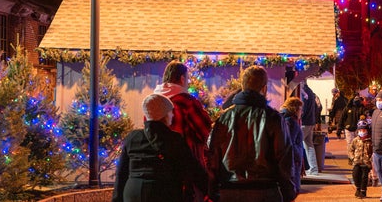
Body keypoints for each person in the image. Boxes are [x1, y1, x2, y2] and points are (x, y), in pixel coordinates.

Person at [206, 64, 297, 202]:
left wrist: (212, 190)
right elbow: (283, 157)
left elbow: (213, 157)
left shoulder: (224, 118)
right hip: (264, 190)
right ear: (264, 88)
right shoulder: (273, 118)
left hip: (230, 189)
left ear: (242, 87)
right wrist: (288, 191)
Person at [113, 93, 209, 202]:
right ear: (165, 114)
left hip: (133, 192)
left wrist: (117, 198)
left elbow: (121, 173)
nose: (173, 115)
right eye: (171, 112)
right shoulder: (174, 139)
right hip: (163, 192)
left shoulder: (132, 137)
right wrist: (209, 190)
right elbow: (192, 168)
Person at [154, 61, 214, 200]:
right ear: (182, 78)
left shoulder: (154, 102)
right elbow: (204, 129)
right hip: (186, 168)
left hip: (159, 166)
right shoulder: (186, 101)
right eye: (187, 78)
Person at [280, 97, 305, 195]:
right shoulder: (291, 122)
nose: (301, 112)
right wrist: (299, 156)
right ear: (295, 109)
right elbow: (291, 142)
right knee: (294, 189)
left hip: (289, 158)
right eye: (300, 109)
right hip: (293, 159)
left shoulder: (283, 118)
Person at [300, 82, 323, 176]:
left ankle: (303, 169)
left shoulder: (303, 92)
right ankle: (313, 169)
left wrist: (300, 118)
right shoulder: (310, 92)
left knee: (297, 144)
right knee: (309, 145)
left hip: (304, 122)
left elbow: (303, 108)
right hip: (311, 122)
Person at [349, 118, 374, 198]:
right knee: (355, 175)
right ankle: (358, 188)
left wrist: (371, 160)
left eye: (364, 130)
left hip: (366, 162)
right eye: (360, 130)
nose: (362, 132)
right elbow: (350, 150)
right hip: (356, 161)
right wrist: (352, 158)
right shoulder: (355, 140)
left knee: (364, 177)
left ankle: (363, 190)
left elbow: (373, 152)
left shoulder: (370, 141)